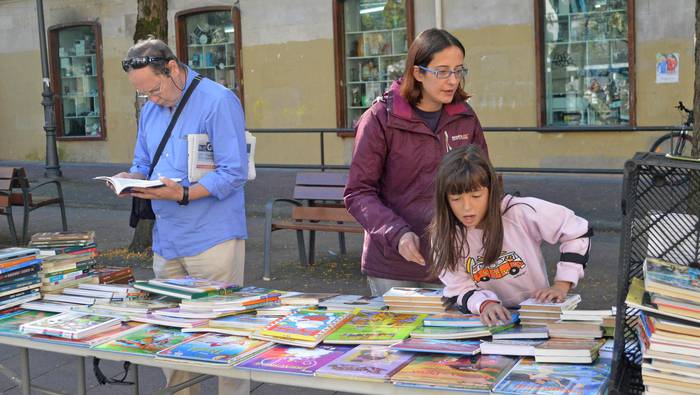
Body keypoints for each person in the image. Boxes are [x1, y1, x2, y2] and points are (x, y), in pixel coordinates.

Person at [116, 37, 248, 395]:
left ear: (172, 68)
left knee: (223, 335)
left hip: (213, 237)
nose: (153, 100)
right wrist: (131, 178)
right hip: (168, 239)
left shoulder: (218, 101)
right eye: (145, 94)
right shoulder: (150, 110)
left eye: (155, 90)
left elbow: (234, 171)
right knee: (172, 336)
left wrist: (185, 193)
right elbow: (144, 162)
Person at [344, 28, 488, 297]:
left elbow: (483, 182)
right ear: (418, 72)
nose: (452, 81)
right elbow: (358, 193)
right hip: (393, 264)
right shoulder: (380, 118)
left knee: (451, 338)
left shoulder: (465, 117)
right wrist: (397, 233)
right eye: (442, 71)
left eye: (458, 71)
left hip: (455, 261)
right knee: (397, 339)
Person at [429, 145, 592, 326]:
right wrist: (485, 304)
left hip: (538, 314)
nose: (467, 207)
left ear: (491, 190)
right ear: (444, 199)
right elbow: (458, 286)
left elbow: (577, 230)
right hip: (487, 322)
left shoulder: (519, 211)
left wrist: (562, 284)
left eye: (476, 196)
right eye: (456, 199)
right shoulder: (443, 233)